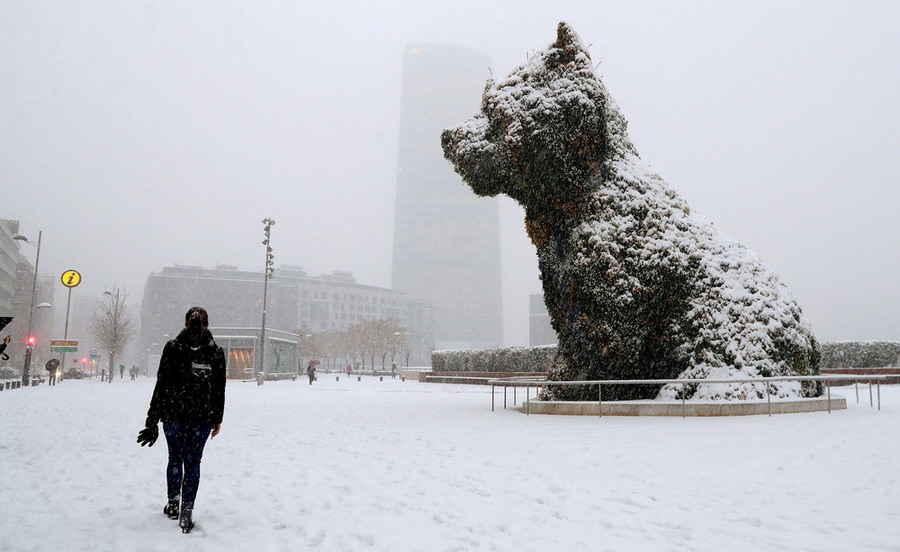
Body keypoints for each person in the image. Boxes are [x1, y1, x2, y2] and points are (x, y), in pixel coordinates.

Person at [137, 307, 226, 534]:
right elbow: (219, 389)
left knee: (175, 458)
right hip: (202, 417)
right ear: (207, 324)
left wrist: (152, 419)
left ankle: (174, 502)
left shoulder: (173, 348)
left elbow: (162, 384)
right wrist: (217, 418)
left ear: (185, 323)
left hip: (173, 415)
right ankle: (186, 512)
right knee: (193, 463)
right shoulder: (215, 352)